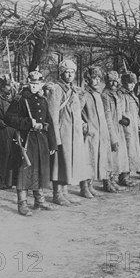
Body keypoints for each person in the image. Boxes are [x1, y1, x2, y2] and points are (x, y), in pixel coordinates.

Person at [5, 70, 56, 215]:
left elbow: (49, 122)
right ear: (28, 82)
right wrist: (28, 123)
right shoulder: (20, 99)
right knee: (24, 171)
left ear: (41, 84)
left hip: (41, 140)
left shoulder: (43, 99)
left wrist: (52, 142)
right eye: (32, 83)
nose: (35, 86)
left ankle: (39, 200)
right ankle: (22, 203)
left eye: (37, 83)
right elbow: (8, 118)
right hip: (26, 140)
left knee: (39, 170)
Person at [44, 59, 89, 205]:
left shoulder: (74, 90)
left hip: (74, 134)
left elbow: (77, 112)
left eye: (72, 72)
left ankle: (65, 192)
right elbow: (52, 115)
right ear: (61, 73)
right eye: (66, 72)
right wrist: (55, 138)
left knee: (68, 164)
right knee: (59, 164)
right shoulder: (55, 89)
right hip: (62, 132)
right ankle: (57, 194)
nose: (69, 75)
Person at [81, 66, 117, 197]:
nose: (96, 81)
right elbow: (76, 114)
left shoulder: (98, 94)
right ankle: (84, 187)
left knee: (96, 159)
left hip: (101, 133)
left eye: (98, 78)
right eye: (93, 78)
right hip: (89, 134)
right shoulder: (83, 94)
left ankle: (90, 185)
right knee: (87, 160)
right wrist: (86, 127)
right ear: (87, 80)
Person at [101, 70, 128, 192]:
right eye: (110, 81)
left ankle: (113, 180)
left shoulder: (117, 95)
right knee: (109, 157)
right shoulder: (105, 95)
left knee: (116, 157)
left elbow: (120, 112)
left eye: (115, 81)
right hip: (109, 129)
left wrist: (125, 119)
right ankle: (107, 182)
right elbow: (107, 116)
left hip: (118, 128)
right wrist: (112, 136)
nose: (113, 83)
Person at [116, 72, 140, 186]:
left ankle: (127, 175)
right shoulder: (121, 94)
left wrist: (139, 124)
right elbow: (120, 112)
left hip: (133, 128)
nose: (131, 85)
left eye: (133, 83)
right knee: (126, 152)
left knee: (132, 152)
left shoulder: (132, 94)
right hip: (125, 128)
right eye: (129, 83)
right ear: (124, 83)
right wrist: (126, 122)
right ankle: (123, 177)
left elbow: (135, 113)